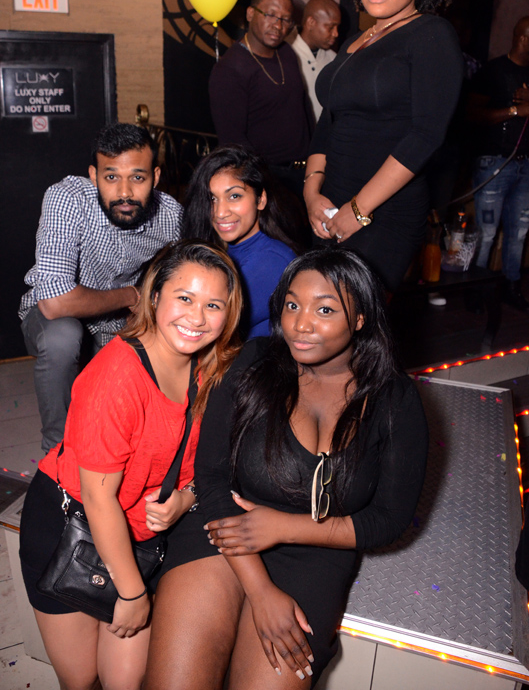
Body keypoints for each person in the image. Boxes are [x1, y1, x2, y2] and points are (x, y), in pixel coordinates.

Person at [143, 248, 429, 690]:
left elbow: (388, 519)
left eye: (325, 309)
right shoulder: (254, 362)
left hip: (316, 552)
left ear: (360, 319)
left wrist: (283, 527)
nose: (301, 324)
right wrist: (260, 591)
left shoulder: (394, 398)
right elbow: (212, 477)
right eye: (293, 305)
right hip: (223, 529)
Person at [19, 241, 242, 690]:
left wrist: (186, 498)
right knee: (81, 679)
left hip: (139, 538)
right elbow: (99, 499)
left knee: (125, 679)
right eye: (184, 298)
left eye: (213, 305)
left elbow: (209, 461)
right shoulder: (117, 374)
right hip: (69, 526)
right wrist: (133, 593)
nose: (197, 318)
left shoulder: (210, 368)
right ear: (154, 297)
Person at [303, 0, 464, 292]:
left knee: (348, 317)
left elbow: (426, 135)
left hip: (384, 213)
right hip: (331, 204)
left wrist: (359, 210)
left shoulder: (432, 35)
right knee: (316, 314)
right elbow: (329, 120)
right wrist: (311, 191)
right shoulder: (355, 41)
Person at [18, 123, 183, 452]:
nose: (125, 192)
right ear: (94, 176)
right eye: (111, 177)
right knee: (62, 336)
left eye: (137, 178)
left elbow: (179, 278)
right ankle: (56, 453)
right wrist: (131, 295)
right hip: (53, 319)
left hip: (118, 326)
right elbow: (53, 302)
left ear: (155, 177)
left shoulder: (170, 216)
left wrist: (151, 304)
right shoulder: (68, 199)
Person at [209, 0, 312, 200]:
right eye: (270, 15)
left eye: (285, 19)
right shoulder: (230, 68)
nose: (278, 25)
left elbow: (303, 108)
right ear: (250, 14)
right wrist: (260, 183)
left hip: (303, 172)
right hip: (268, 178)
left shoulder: (286, 53)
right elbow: (233, 140)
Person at [182, 145, 297, 339]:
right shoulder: (227, 250)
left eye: (234, 196)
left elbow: (207, 327)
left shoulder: (271, 261)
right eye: (212, 198)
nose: (220, 212)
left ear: (260, 200)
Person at [468, 16, 529, 310]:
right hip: (494, 162)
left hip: (526, 165)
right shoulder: (493, 71)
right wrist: (516, 111)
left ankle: (511, 287)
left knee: (519, 231)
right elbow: (473, 115)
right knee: (487, 232)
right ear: (523, 38)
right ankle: (475, 291)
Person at [291, 0, 341, 125]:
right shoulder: (287, 55)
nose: (336, 33)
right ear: (311, 23)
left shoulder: (334, 59)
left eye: (337, 27)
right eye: (330, 27)